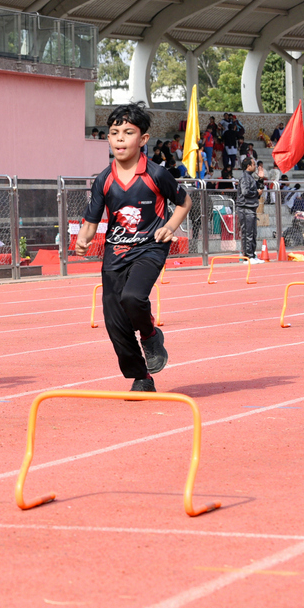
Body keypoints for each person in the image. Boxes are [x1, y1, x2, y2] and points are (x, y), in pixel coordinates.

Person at [75, 103, 191, 393]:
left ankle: (150, 334)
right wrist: (83, 239)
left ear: (143, 139)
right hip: (115, 253)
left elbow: (184, 202)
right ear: (108, 138)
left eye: (128, 132)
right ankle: (142, 377)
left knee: (133, 297)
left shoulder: (156, 174)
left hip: (150, 248)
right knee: (114, 322)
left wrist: (170, 227)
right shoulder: (104, 179)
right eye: (115, 133)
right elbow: (91, 221)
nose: (120, 139)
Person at [238, 156, 264, 262]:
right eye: (253, 164)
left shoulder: (250, 177)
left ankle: (252, 254)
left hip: (250, 207)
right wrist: (256, 193)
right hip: (245, 207)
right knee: (247, 233)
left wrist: (261, 179)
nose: (255, 166)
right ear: (248, 166)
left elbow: (258, 188)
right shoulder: (245, 177)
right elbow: (245, 192)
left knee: (252, 233)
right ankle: (248, 256)